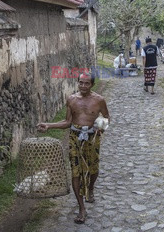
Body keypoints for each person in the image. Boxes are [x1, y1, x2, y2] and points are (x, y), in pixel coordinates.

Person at [37, 72, 110, 224]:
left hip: (92, 138)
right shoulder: (71, 99)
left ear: (92, 84)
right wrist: (49, 125)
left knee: (93, 169)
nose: (83, 86)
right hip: (75, 138)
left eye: (86, 83)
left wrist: (100, 128)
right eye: (81, 83)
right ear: (78, 83)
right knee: (76, 171)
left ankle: (90, 188)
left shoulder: (99, 100)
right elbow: (67, 122)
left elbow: (106, 118)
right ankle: (81, 208)